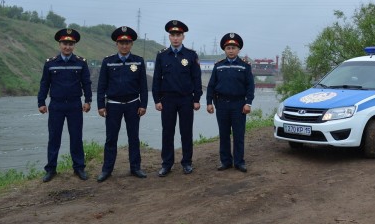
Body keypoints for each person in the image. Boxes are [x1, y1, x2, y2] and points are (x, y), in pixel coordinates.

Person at [37, 28, 92, 182]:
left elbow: (86, 83)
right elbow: (44, 84)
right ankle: (51, 169)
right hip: (56, 106)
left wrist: (88, 101)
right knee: (54, 138)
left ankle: (79, 168)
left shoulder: (81, 63)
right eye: (64, 43)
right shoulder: (51, 63)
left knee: (76, 137)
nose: (67, 47)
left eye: (70, 44)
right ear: (59, 44)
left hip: (75, 105)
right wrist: (41, 102)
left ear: (74, 45)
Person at [96, 26, 149, 182]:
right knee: (111, 139)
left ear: (131, 44)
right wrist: (101, 105)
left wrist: (143, 105)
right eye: (121, 42)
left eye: (127, 43)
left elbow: (144, 87)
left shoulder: (138, 61)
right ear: (116, 44)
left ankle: (135, 168)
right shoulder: (108, 61)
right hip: (113, 105)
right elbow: (101, 86)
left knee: (133, 137)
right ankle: (107, 170)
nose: (124, 45)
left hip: (133, 104)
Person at [152, 20, 202, 177]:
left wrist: (196, 99)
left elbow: (196, 79)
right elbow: (156, 80)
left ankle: (187, 162)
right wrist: (157, 100)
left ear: (183, 37)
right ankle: (167, 164)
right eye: (173, 35)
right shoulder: (162, 56)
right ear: (169, 37)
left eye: (178, 35)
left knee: (186, 132)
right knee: (167, 132)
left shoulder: (191, 55)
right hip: (167, 100)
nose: (175, 38)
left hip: (186, 99)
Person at [206, 32, 255, 173]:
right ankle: (225, 161)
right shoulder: (218, 66)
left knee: (239, 135)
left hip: (239, 105)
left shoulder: (245, 66)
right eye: (228, 48)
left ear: (239, 49)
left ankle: (239, 162)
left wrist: (248, 103)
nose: (231, 50)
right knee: (224, 134)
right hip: (222, 105)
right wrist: (209, 102)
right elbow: (211, 86)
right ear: (224, 50)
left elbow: (250, 87)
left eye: (234, 48)